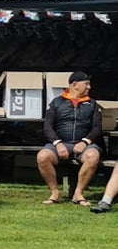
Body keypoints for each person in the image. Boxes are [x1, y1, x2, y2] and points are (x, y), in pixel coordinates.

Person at [37, 70, 101, 206]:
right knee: (42, 157)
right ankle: (55, 192)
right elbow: (47, 127)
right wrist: (58, 144)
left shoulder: (93, 104)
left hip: (84, 145)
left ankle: (78, 193)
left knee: (93, 156)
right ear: (75, 85)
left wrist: (85, 142)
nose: (89, 87)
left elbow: (97, 128)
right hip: (60, 143)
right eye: (87, 84)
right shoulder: (56, 103)